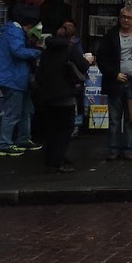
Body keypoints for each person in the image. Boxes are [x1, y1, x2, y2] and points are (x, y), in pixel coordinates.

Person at [96, 6, 132, 161]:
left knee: (131, 119)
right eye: (123, 17)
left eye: (129, 18)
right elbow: (101, 58)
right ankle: (113, 150)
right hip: (116, 81)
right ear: (119, 18)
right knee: (114, 119)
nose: (126, 20)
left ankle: (128, 149)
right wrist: (114, 74)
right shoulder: (111, 36)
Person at [0, 8, 43, 157]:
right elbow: (18, 51)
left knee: (26, 110)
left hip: (16, 77)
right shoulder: (15, 32)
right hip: (12, 78)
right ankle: (4, 143)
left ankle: (23, 139)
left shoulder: (12, 31)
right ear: (28, 25)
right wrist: (37, 52)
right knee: (13, 113)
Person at [32, 34, 85, 173]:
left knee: (52, 129)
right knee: (65, 129)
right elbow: (83, 65)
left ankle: (50, 159)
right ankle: (56, 161)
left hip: (48, 95)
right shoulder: (70, 49)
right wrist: (88, 60)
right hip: (65, 95)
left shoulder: (46, 51)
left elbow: (40, 72)